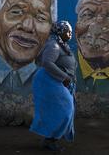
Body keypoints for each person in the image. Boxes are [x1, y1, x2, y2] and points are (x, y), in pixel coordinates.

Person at [29, 21, 77, 152]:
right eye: (67, 30)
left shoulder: (62, 45)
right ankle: (50, 140)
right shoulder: (54, 45)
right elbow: (47, 63)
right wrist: (65, 77)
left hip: (56, 80)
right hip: (48, 80)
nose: (70, 33)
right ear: (60, 32)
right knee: (66, 109)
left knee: (64, 110)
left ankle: (50, 139)